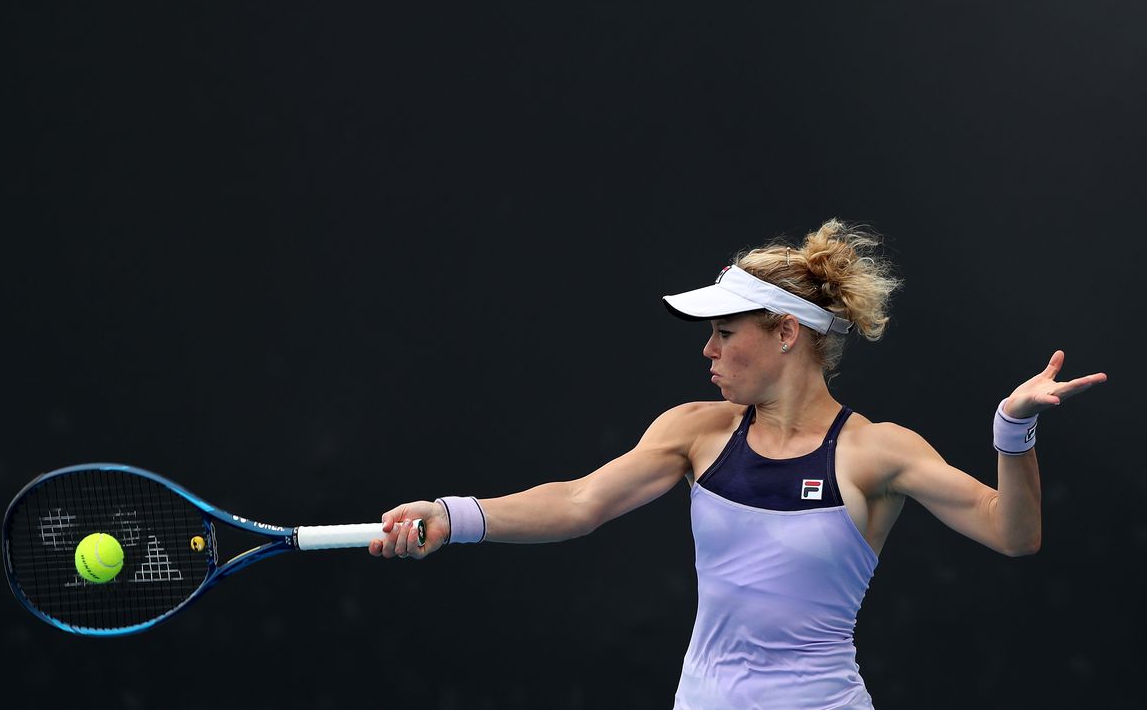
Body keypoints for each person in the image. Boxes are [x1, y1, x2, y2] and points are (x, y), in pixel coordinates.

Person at [368, 218, 1107, 709]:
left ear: (786, 333)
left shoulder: (875, 451)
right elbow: (577, 502)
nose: (709, 351)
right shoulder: (695, 431)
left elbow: (1014, 533)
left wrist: (1012, 429)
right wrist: (454, 516)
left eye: (725, 332)